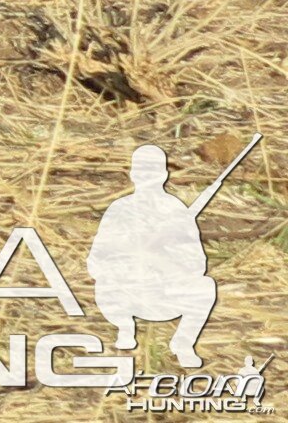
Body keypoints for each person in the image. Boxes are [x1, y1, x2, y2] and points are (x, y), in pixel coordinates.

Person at [87, 145, 218, 369]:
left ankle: (183, 343)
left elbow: (197, 265)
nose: (146, 178)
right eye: (142, 171)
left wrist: (162, 259)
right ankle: (125, 328)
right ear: (133, 174)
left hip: (165, 294)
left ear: (164, 175)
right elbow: (96, 261)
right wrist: (125, 260)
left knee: (206, 287)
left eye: (153, 172)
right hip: (126, 294)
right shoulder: (119, 209)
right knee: (105, 283)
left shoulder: (177, 211)